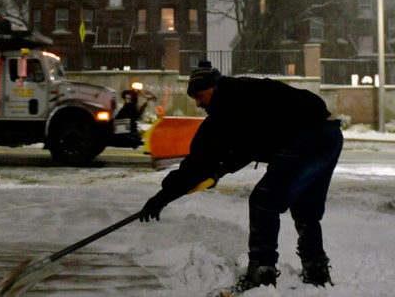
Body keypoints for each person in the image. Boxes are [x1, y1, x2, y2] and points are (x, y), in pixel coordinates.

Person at [139, 61, 343, 294]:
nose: (197, 103)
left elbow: (198, 162)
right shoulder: (242, 94)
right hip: (330, 135)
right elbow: (246, 148)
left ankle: (261, 272)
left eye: (198, 95)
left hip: (307, 138)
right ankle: (316, 268)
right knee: (306, 207)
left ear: (212, 86)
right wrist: (218, 171)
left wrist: (162, 197)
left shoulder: (227, 107)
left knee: (263, 201)